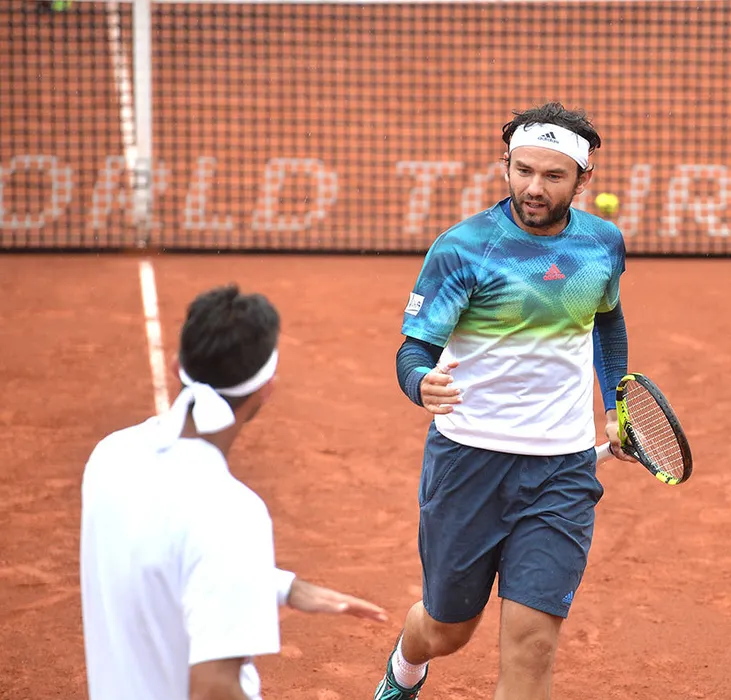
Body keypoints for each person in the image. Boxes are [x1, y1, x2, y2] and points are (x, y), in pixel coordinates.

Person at [376, 102, 638, 700]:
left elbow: (608, 320)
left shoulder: (602, 243)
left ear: (583, 179)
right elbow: (414, 350)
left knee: (533, 646)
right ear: (506, 166)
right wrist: (421, 382)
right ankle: (405, 667)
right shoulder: (464, 248)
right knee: (446, 630)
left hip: (562, 469)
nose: (534, 188)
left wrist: (616, 404)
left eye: (552, 175)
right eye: (523, 171)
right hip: (468, 463)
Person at [80, 284, 387, 700]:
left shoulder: (111, 456)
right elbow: (214, 689)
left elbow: (163, 553)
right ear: (267, 388)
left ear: (177, 367)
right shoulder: (231, 513)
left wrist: (281, 587)